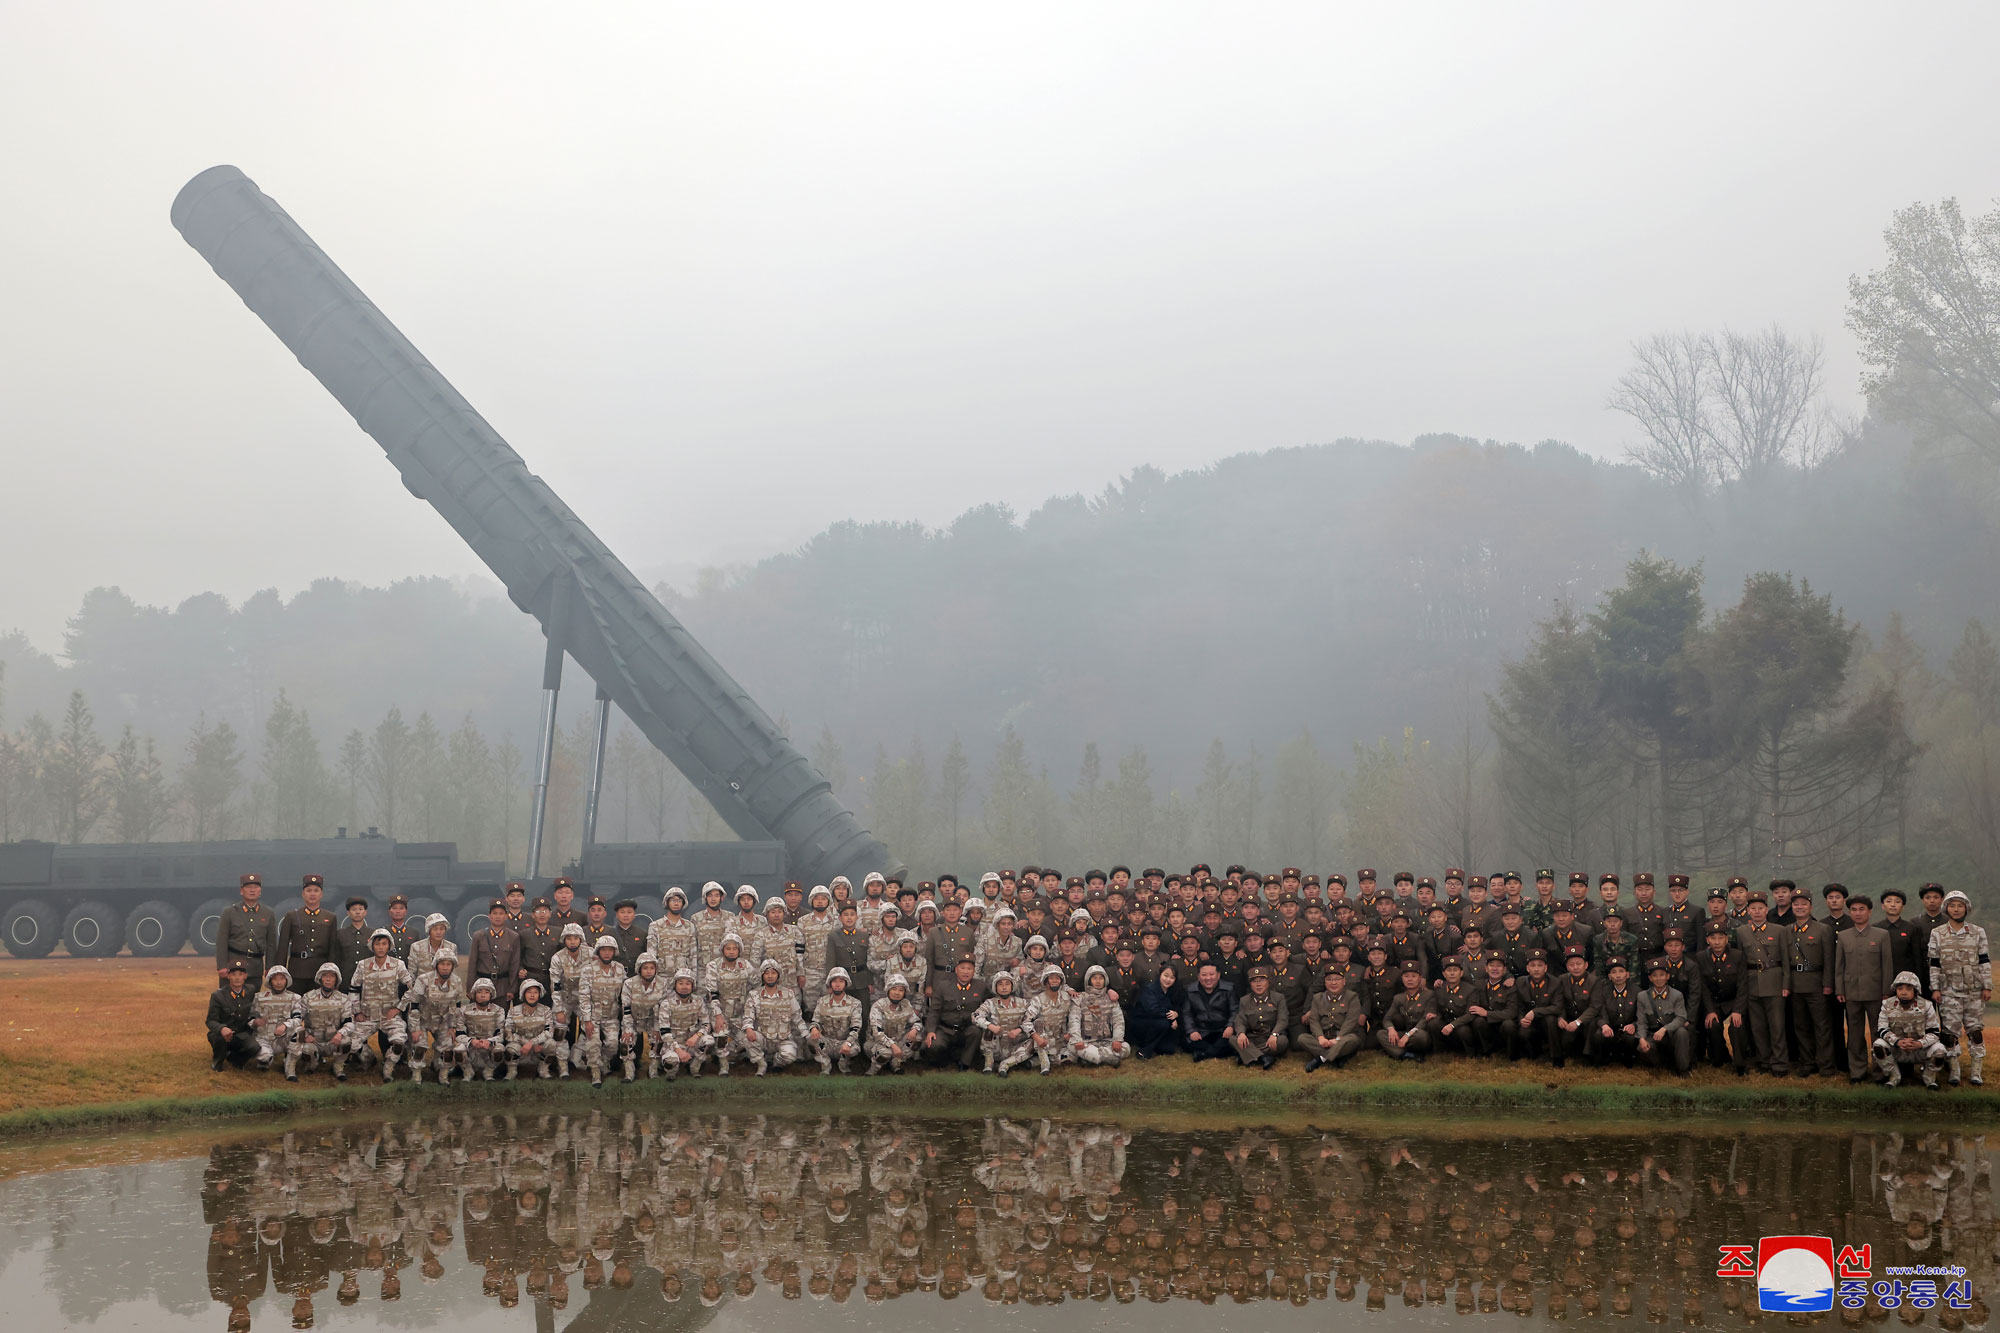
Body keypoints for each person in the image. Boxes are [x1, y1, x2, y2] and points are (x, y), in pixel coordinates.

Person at [1928, 889, 1992, 1086]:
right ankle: (1954, 1071)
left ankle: (1976, 1072)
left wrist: (1987, 986)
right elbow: (1934, 963)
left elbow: (1984, 960)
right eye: (1952, 906)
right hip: (1948, 991)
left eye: (1960, 906)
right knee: (1949, 1033)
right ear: (1946, 909)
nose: (1956, 910)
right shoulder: (1937, 933)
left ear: (1967, 908)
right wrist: (1935, 988)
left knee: (1975, 1031)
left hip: (1973, 991)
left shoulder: (1977, 932)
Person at [1835, 895, 1896, 1084]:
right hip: (1851, 993)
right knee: (1854, 1034)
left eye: (1862, 909)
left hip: (1876, 993)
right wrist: (1840, 990)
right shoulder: (1843, 936)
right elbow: (1839, 966)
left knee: (1878, 1034)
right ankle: (1857, 1072)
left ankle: (1880, 1071)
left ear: (1869, 912)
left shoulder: (1881, 935)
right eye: (1854, 909)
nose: (1858, 913)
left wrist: (1886, 990)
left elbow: (1887, 965)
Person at [401, 947, 465, 1084]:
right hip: (423, 1020)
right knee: (420, 1047)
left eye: (448, 964)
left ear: (453, 966)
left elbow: (456, 1007)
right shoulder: (423, 980)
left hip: (443, 1021)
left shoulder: (457, 982)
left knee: (448, 1049)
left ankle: (443, 1075)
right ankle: (416, 1075)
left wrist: (452, 1027)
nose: (445, 968)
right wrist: (415, 1029)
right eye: (442, 964)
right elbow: (414, 1005)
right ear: (436, 964)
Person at [574, 936, 629, 1087]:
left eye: (609, 950)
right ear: (598, 952)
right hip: (593, 1016)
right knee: (594, 1043)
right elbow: (584, 997)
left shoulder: (620, 969)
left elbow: (625, 994)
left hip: (611, 1016)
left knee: (612, 1045)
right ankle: (595, 1071)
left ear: (614, 952)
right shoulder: (588, 970)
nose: (606, 953)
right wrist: (587, 1020)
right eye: (603, 950)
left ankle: (603, 1061)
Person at [1876, 971, 1945, 1089]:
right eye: (1900, 988)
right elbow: (1882, 1029)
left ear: (1915, 990)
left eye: (1908, 988)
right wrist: (1898, 1042)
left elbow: (1934, 1032)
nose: (1903, 992)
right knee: (1878, 1045)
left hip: (1919, 1050)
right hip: (1898, 1049)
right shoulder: (1887, 1005)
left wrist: (1919, 1043)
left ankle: (1929, 1079)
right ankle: (1894, 1078)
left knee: (1940, 1050)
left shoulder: (1926, 1005)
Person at [292, 962, 356, 1081]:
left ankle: (338, 1067)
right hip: (313, 1041)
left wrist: (340, 1034)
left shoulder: (344, 999)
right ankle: (312, 1063)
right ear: (320, 978)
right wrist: (304, 1035)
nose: (328, 979)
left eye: (332, 976)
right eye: (325, 975)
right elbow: (296, 1021)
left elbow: (350, 1023)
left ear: (336, 980)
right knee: (304, 1047)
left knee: (347, 1042)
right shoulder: (308, 997)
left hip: (333, 1041)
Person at [741, 960, 805, 1076]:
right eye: (766, 973)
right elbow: (747, 1017)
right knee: (746, 1038)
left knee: (790, 1056)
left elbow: (797, 1017)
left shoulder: (788, 994)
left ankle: (776, 1063)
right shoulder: (754, 995)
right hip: (763, 1037)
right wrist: (749, 1029)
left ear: (778, 975)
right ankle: (762, 1064)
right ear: (762, 976)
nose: (770, 976)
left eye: (773, 973)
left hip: (783, 1038)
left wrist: (807, 1034)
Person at [924, 957, 986, 1070]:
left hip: (966, 1029)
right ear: (956, 970)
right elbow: (934, 1011)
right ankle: (944, 1060)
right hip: (945, 1029)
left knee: (976, 1032)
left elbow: (991, 1002)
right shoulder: (943, 986)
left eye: (969, 969)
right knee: (934, 1044)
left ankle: (965, 1063)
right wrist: (931, 1031)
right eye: (962, 968)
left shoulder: (981, 986)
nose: (966, 971)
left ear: (974, 971)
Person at [216, 874, 277, 986]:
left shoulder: (268, 913)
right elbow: (221, 941)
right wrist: (222, 965)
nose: (252, 890)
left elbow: (271, 944)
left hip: (255, 967)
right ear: (241, 891)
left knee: (252, 1001)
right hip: (233, 967)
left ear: (260, 891)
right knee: (229, 1001)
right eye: (248, 887)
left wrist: (270, 967)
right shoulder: (229, 912)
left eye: (256, 887)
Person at [620, 952, 671, 1081]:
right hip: (634, 1018)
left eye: (652, 968)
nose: (649, 971)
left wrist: (657, 1028)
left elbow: (663, 1009)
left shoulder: (663, 983)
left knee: (658, 1041)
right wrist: (627, 1030)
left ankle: (653, 1071)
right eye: (645, 968)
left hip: (652, 1019)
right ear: (639, 969)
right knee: (625, 1043)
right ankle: (629, 1073)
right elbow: (626, 1009)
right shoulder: (629, 983)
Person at [276, 875, 336, 985]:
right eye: (308, 891)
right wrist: (280, 972)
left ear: (321, 894)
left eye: (316, 891)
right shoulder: (292, 916)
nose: (312, 894)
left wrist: (331, 972)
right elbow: (283, 947)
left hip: (320, 972)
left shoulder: (330, 917)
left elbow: (332, 948)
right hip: (297, 970)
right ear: (303, 894)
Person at [656, 969, 716, 1078]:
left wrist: (696, 1036)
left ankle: (694, 1068)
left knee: (709, 1040)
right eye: (681, 983)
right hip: (673, 1044)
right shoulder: (666, 1004)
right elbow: (664, 1032)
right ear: (675, 985)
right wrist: (678, 1050)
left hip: (691, 1042)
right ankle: (671, 1074)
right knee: (671, 1060)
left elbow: (706, 1024)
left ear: (692, 986)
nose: (684, 987)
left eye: (688, 983)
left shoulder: (698, 1001)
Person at [972, 970, 1034, 1075]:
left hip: (1015, 1046)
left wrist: (1019, 1030)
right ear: (995, 987)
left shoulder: (1022, 1003)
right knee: (987, 1030)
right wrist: (990, 1026)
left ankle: (1005, 1064)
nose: (1004, 987)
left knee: (1034, 1040)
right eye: (1000, 984)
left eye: (1007, 984)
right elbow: (975, 1016)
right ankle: (989, 1063)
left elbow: (1032, 1019)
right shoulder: (990, 1003)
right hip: (995, 1047)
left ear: (1012, 986)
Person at [1226, 967, 1288, 1068]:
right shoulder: (1244, 1000)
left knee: (1282, 1041)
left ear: (1268, 981)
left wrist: (1274, 1034)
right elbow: (1240, 1020)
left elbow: (1283, 1019)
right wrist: (1241, 1033)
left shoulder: (1278, 998)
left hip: (1270, 1037)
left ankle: (1247, 1055)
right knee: (1233, 1039)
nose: (1258, 984)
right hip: (1253, 1038)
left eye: (1262, 980)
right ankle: (1263, 1058)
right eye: (1254, 981)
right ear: (1250, 984)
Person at [1637, 959, 1691, 1074]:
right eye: (1655, 975)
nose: (1659, 978)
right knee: (1642, 1048)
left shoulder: (1677, 995)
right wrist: (1641, 1038)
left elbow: (1681, 1018)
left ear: (1667, 976)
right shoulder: (1642, 996)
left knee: (1682, 1032)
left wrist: (1665, 1029)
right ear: (1650, 978)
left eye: (1662, 975)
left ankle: (1683, 1069)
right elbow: (1642, 1022)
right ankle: (1664, 1064)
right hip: (1653, 1035)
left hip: (1671, 1035)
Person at [809, 967, 865, 1074]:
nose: (837, 984)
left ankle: (844, 1067)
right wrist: (814, 1028)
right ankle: (825, 1067)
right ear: (830, 984)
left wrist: (848, 1043)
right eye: (834, 981)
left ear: (846, 983)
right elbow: (815, 1021)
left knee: (854, 1049)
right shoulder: (822, 1002)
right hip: (827, 1042)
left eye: (841, 981)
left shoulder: (855, 1003)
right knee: (811, 1040)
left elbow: (856, 1027)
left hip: (844, 1042)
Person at [248, 965, 303, 1074]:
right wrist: (254, 1022)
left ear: (287, 980)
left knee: (300, 1032)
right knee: (264, 1058)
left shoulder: (295, 998)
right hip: (264, 1038)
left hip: (283, 1039)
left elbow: (298, 1019)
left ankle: (290, 1067)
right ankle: (265, 1060)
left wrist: (285, 1025)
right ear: (270, 981)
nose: (279, 982)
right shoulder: (259, 998)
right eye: (275, 979)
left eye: (282, 979)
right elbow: (249, 1019)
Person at [1070, 965, 1129, 1066]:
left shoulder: (1111, 999)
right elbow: (1074, 1021)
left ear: (1105, 980)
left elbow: (1118, 1021)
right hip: (1085, 1042)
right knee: (1072, 1045)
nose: (1098, 981)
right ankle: (1107, 1057)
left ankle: (1092, 1058)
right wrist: (1077, 1040)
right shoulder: (1080, 999)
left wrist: (1117, 1040)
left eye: (1101, 978)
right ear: (1088, 980)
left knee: (1126, 1047)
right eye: (1094, 978)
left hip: (1106, 1041)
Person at [206, 959, 259, 1070]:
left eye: (240, 974)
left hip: (241, 1033)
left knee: (254, 1047)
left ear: (245, 976)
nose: (237, 977)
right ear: (228, 976)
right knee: (220, 1039)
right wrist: (222, 1028)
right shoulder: (218, 996)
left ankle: (235, 1059)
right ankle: (217, 1061)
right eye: (233, 974)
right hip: (222, 1034)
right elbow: (210, 1020)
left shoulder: (250, 991)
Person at [866, 974, 923, 1075]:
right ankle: (873, 1070)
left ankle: (896, 1063)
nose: (897, 993)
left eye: (901, 990)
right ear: (888, 990)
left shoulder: (906, 1004)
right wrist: (892, 1045)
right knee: (886, 1053)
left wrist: (914, 1029)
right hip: (876, 1043)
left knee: (917, 1039)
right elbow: (876, 1033)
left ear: (904, 992)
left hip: (897, 1041)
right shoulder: (878, 1006)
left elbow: (917, 1022)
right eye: (894, 989)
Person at [469, 899, 522, 1004]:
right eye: (495, 913)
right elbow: (472, 963)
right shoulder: (479, 936)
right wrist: (470, 987)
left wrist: (512, 989)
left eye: (501, 913)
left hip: (503, 987)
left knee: (501, 1018)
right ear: (489, 916)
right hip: (481, 986)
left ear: (506, 916)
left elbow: (514, 965)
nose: (498, 916)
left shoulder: (513, 937)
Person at [503, 978, 559, 1079]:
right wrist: (526, 1043)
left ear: (539, 994)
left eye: (535, 992)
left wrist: (532, 1043)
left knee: (552, 1044)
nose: (532, 995)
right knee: (510, 1049)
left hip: (538, 1048)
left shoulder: (546, 1010)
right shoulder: (513, 1011)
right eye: (529, 992)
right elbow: (508, 1032)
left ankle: (543, 1069)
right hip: (521, 1048)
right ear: (523, 994)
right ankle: (512, 1071)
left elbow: (549, 1032)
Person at [1128, 964, 1185, 1058]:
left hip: (1159, 1020)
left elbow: (1176, 1007)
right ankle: (1145, 1051)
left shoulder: (1173, 990)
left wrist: (1176, 1014)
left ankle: (1155, 1045)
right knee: (1163, 1024)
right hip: (1142, 1021)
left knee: (1168, 1050)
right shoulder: (1149, 989)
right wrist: (1171, 1019)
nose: (1168, 980)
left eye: (1172, 977)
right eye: (1165, 975)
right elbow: (1153, 1010)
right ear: (1160, 975)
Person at [457, 978, 508, 1081]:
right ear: (474, 994)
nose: (483, 995)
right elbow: (459, 1034)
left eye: (486, 992)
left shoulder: (499, 1011)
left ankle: (488, 1072)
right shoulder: (464, 1010)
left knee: (500, 1050)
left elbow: (501, 1034)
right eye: (479, 992)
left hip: (489, 1047)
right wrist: (472, 1041)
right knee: (458, 1049)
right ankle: (468, 1072)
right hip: (472, 1046)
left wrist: (489, 1041)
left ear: (491, 994)